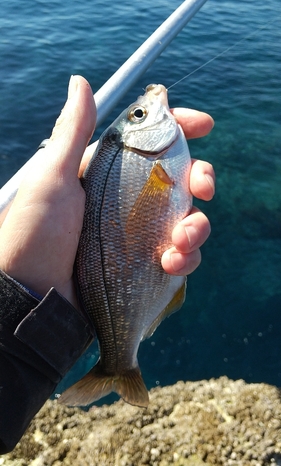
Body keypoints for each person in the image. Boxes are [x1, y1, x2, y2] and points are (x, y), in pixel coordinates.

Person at [0, 75, 215, 454]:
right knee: (178, 250)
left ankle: (117, 361)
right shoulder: (152, 156)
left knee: (181, 247)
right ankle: (120, 364)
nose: (153, 104)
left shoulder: (150, 155)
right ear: (133, 138)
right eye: (139, 114)